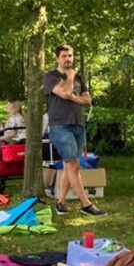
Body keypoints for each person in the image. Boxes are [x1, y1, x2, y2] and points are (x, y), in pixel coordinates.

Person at [43, 44, 104, 217]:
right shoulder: (50, 77)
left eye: (70, 56)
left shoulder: (80, 77)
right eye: (64, 56)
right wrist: (69, 78)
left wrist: (73, 97)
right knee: (73, 165)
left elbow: (87, 100)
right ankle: (86, 204)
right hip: (60, 125)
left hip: (78, 124)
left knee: (69, 164)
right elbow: (64, 93)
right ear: (57, 58)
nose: (68, 59)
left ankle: (60, 203)